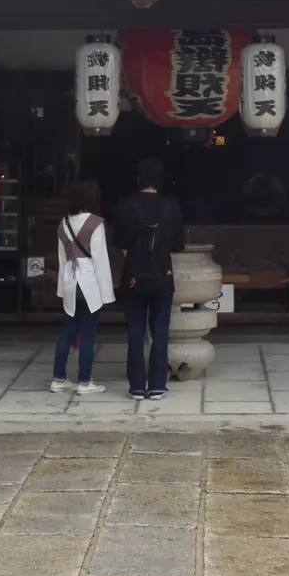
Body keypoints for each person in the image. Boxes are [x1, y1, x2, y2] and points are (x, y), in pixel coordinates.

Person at [113, 156, 185, 400]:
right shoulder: (171, 206)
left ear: (138, 179)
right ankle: (156, 385)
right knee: (160, 331)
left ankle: (135, 386)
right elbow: (177, 245)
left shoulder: (125, 204)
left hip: (133, 275)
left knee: (135, 330)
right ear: (160, 179)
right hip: (162, 274)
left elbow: (121, 244)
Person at [50, 177, 114, 396]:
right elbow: (101, 261)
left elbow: (61, 259)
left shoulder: (63, 223)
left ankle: (59, 378)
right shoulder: (96, 223)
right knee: (87, 334)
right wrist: (107, 294)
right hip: (88, 281)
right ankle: (85, 381)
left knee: (67, 332)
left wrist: (61, 290)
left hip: (69, 280)